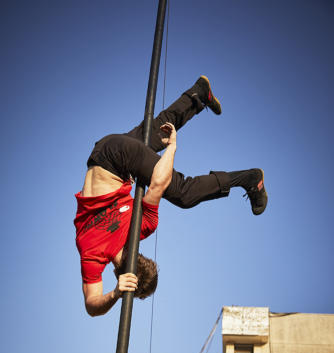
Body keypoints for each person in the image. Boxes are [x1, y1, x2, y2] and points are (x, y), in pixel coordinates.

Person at [74, 76, 267, 316]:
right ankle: (198, 95)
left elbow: (159, 182)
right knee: (157, 133)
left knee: (183, 193)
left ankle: (248, 178)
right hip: (103, 153)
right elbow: (91, 305)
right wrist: (115, 292)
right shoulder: (93, 253)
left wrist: (172, 149)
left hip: (114, 156)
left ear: (141, 259)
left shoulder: (141, 228)